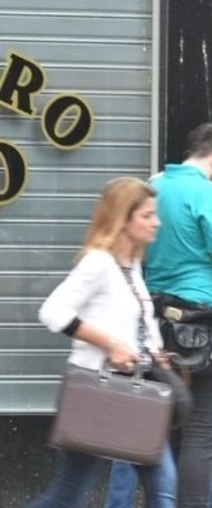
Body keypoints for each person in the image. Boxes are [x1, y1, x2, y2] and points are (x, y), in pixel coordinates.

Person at [107, 123, 212, 508]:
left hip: (159, 323)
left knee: (150, 427)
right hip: (207, 329)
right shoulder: (208, 191)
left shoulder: (154, 186)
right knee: (200, 436)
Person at [32, 178, 179, 508]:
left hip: (136, 394)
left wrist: (156, 355)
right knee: (66, 496)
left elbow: (132, 323)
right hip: (98, 394)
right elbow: (52, 311)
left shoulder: (132, 265)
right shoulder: (99, 263)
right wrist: (110, 343)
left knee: (164, 489)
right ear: (123, 218)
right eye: (147, 215)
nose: (156, 222)